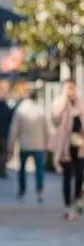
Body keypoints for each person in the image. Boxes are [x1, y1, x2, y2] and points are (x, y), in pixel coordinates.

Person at [51, 80, 84, 221]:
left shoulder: (80, 103)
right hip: (65, 146)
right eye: (68, 89)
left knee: (80, 175)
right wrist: (64, 103)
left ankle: (77, 199)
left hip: (80, 145)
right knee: (67, 176)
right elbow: (55, 120)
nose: (71, 91)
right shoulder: (59, 103)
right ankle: (67, 206)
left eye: (73, 88)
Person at [7, 89, 48, 203]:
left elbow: (14, 130)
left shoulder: (20, 110)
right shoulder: (40, 109)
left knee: (22, 169)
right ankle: (40, 191)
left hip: (24, 144)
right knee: (39, 169)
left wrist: (10, 145)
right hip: (39, 144)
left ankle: (22, 190)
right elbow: (46, 129)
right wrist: (47, 143)